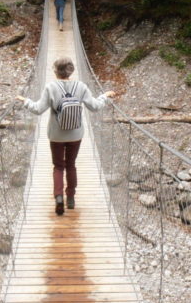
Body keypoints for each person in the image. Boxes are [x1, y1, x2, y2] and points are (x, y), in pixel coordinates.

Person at [16, 57, 116, 216]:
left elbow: (38, 109)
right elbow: (95, 107)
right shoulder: (81, 86)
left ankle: (58, 198)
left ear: (55, 71)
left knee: (58, 166)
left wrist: (25, 100)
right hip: (76, 134)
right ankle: (70, 198)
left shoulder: (50, 87)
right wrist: (105, 95)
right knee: (71, 164)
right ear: (72, 71)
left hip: (56, 135)